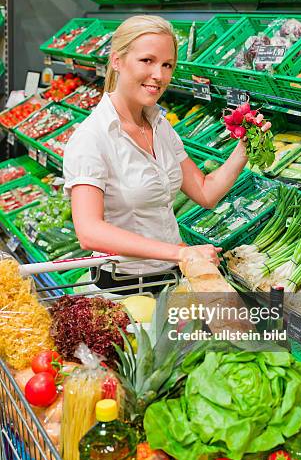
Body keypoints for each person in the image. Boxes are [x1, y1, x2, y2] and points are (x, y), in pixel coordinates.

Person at [63, 15, 253, 294]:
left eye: (167, 65)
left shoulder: (160, 126)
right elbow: (89, 231)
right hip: (123, 283)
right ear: (117, 61)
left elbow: (205, 192)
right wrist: (180, 253)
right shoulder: (92, 138)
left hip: (172, 276)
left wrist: (246, 147)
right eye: (147, 61)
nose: (159, 76)